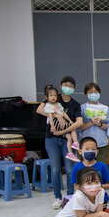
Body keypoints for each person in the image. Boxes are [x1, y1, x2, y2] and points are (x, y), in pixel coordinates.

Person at [36, 76, 83, 209]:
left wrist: (64, 130)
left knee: (69, 169)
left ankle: (69, 197)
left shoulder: (75, 104)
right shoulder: (53, 97)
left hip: (65, 139)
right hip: (51, 139)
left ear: (74, 88)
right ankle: (57, 197)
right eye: (65, 85)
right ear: (61, 86)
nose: (68, 88)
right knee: (56, 169)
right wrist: (56, 115)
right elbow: (39, 110)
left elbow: (78, 122)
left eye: (71, 86)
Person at [42, 85, 79, 162]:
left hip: (61, 125)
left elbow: (64, 114)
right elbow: (50, 116)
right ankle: (76, 143)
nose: (53, 97)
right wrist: (52, 126)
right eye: (51, 95)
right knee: (73, 128)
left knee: (69, 137)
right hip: (55, 124)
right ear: (47, 97)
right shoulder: (48, 105)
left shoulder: (58, 104)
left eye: (55, 95)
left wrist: (69, 120)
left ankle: (70, 153)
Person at [80, 82, 109, 164]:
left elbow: (108, 126)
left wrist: (99, 124)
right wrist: (91, 122)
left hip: (101, 144)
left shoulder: (105, 108)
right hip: (86, 145)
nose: (93, 94)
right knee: (86, 169)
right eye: (90, 92)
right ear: (86, 93)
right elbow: (79, 127)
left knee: (100, 168)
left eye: (96, 92)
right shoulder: (82, 108)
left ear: (99, 93)